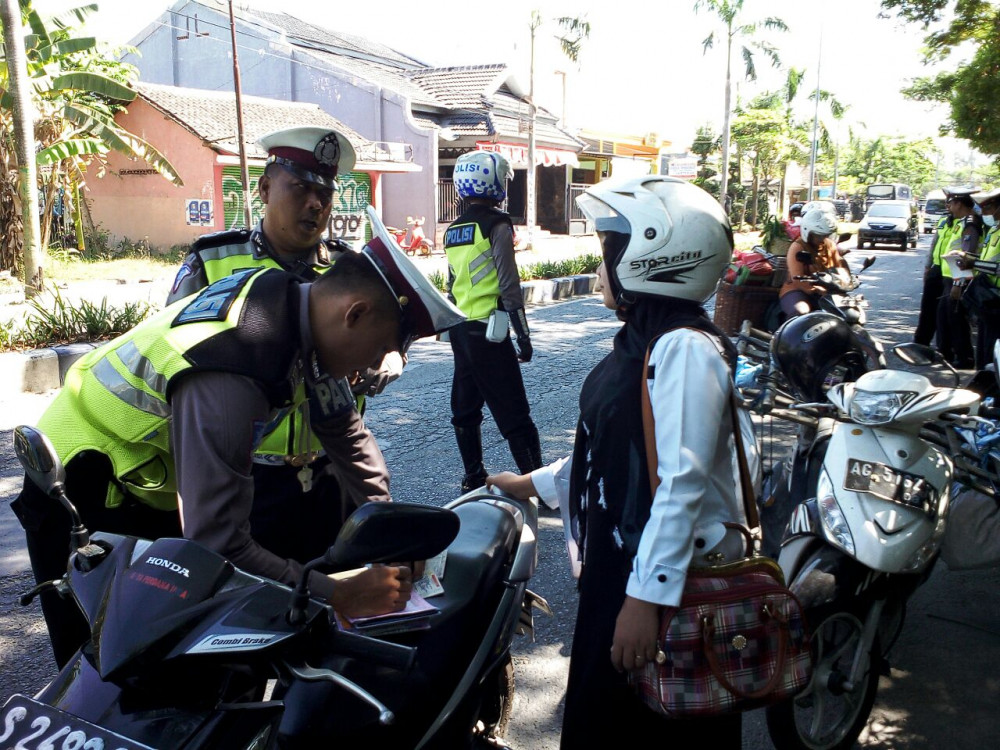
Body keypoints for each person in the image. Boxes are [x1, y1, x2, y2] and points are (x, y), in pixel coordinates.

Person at [12, 224, 464, 668]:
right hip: (81, 494)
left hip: (156, 485)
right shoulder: (236, 369)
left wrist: (385, 536)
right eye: (381, 347)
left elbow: (345, 434)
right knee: (103, 676)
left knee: (177, 653)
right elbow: (217, 544)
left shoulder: (297, 310)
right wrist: (342, 594)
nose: (373, 365)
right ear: (355, 313)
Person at [487, 176, 747, 747]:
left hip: (663, 585)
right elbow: (609, 454)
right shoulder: (641, 339)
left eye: (612, 246)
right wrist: (527, 483)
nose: (604, 264)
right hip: (622, 568)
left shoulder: (685, 347)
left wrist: (644, 598)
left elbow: (682, 483)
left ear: (653, 251)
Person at [167, 126, 403, 560]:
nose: (316, 204)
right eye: (300, 188)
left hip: (332, 469)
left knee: (338, 597)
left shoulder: (347, 270)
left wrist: (389, 357)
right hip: (250, 475)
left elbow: (388, 337)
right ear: (264, 188)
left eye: (325, 194)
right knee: (257, 603)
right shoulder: (212, 260)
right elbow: (174, 363)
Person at [443, 150, 541, 492]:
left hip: (460, 329)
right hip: (490, 330)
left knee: (464, 406)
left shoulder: (453, 230)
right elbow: (508, 284)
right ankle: (536, 483)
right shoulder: (497, 224)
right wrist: (523, 336)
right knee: (514, 411)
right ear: (495, 183)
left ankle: (472, 477)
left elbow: (452, 283)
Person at [936, 186, 983, 369]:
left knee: (957, 320)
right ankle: (948, 354)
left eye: (950, 203)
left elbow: (967, 256)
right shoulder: (959, 222)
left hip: (960, 279)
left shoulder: (970, 224)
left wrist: (958, 282)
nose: (948, 207)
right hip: (950, 277)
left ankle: (965, 358)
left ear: (959, 203)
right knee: (945, 318)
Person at [779, 207, 850, 318]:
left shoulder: (830, 245)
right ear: (808, 232)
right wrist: (815, 289)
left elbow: (838, 265)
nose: (823, 238)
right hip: (797, 290)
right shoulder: (798, 247)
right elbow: (797, 278)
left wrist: (846, 278)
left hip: (826, 291)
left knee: (846, 313)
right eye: (819, 235)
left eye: (825, 235)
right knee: (801, 313)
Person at [958, 187, 1000, 368]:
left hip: (997, 301)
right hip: (988, 302)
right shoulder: (994, 231)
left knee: (994, 354)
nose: (983, 212)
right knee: (983, 353)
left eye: (987, 207)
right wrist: (967, 258)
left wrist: (973, 264)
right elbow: (986, 260)